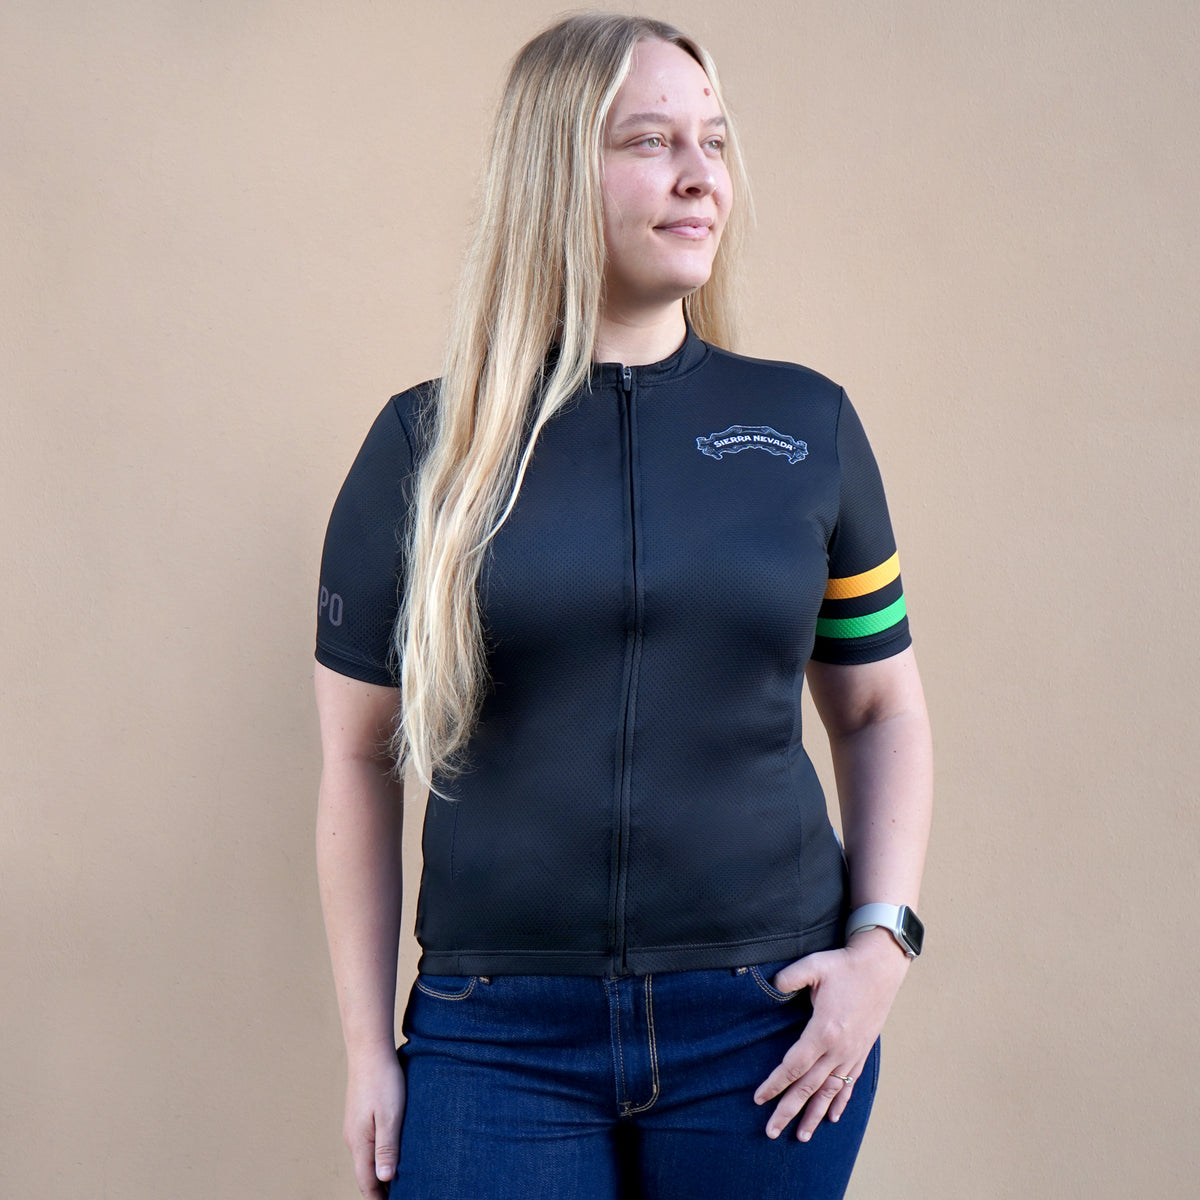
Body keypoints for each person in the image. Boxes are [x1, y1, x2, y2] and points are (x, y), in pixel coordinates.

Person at [314, 12, 932, 1199]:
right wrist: (363, 1052)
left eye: (714, 139)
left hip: (764, 1026)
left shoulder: (810, 427)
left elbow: (880, 713)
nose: (702, 174)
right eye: (652, 140)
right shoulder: (423, 449)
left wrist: (881, 946)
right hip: (495, 1035)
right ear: (554, 171)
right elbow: (354, 761)